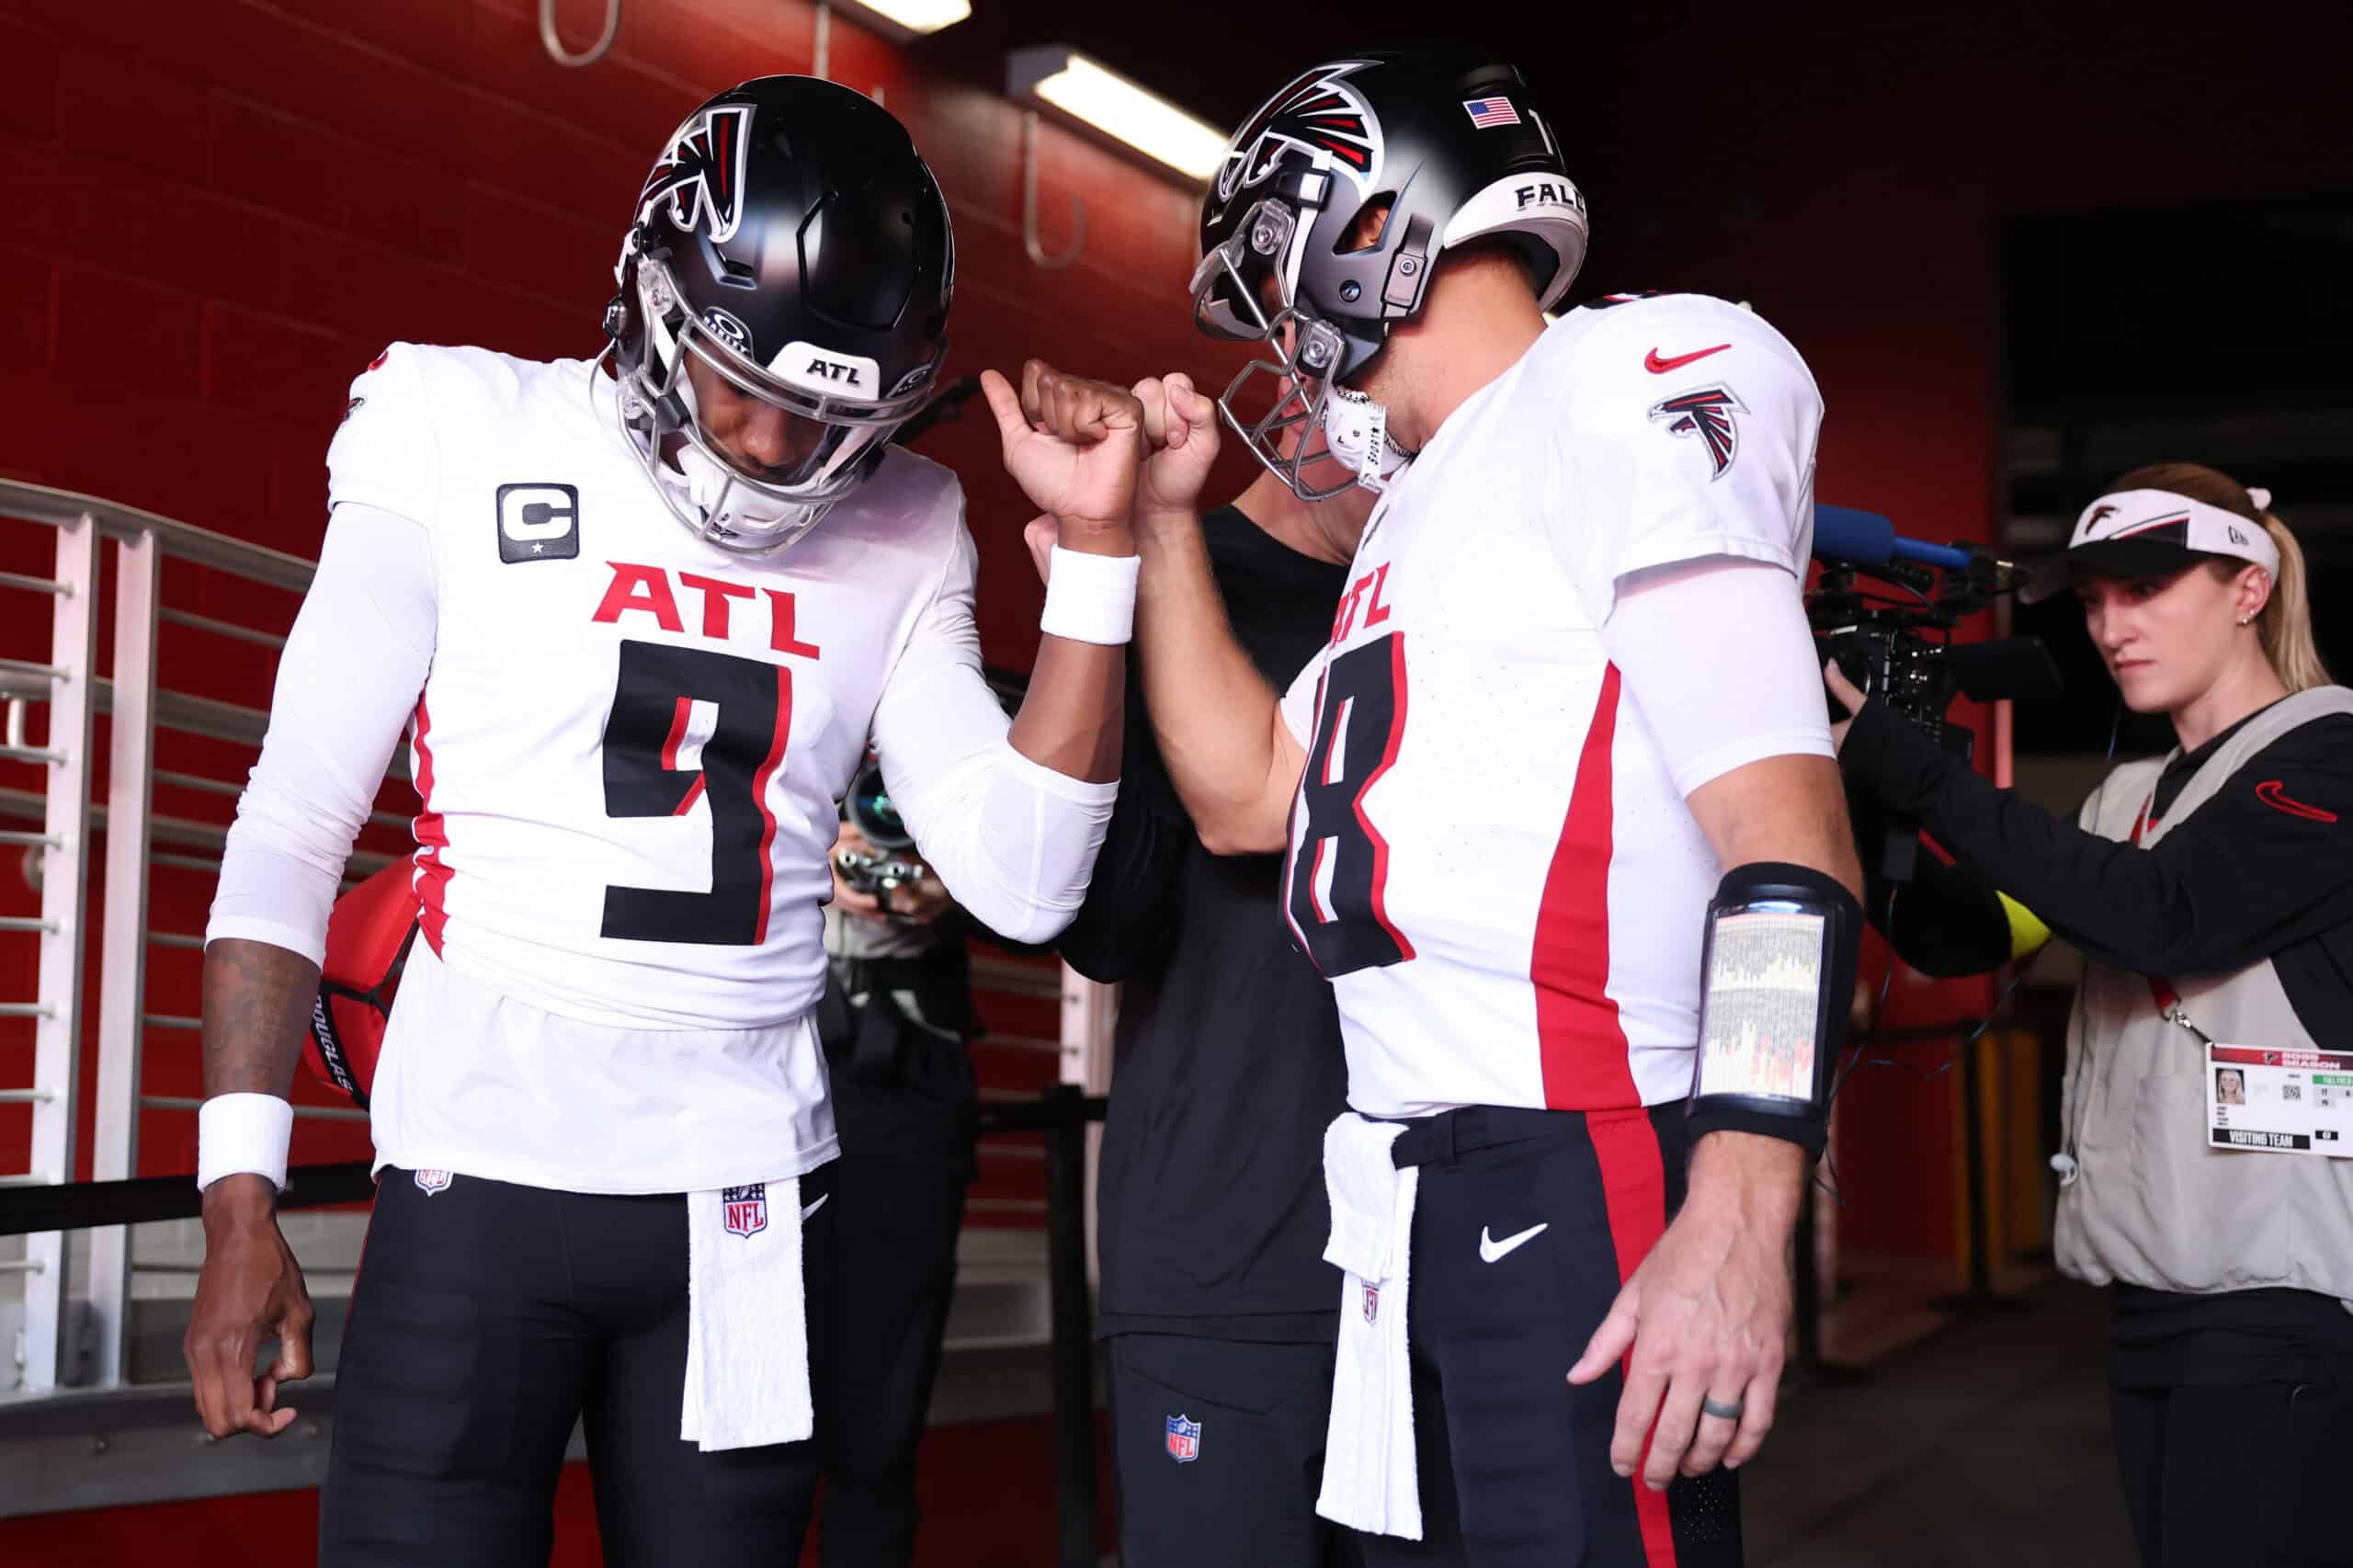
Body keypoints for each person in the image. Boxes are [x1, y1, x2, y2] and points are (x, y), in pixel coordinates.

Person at [180, 75, 1153, 1567]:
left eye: (827, 411)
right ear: (651, 304)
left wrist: (1097, 549)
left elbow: (1024, 887)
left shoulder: (906, 521)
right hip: (476, 1170)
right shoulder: (454, 422)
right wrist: (238, 1191)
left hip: (747, 1204)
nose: (770, 444)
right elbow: (296, 824)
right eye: (739, 384)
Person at [1110, 48, 1867, 1567]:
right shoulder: (1428, 505)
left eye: (1281, 278)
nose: (1284, 333)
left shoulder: (1623, 377)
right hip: (1412, 1191)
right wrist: (1159, 523)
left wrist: (1740, 1199)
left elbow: (1788, 848)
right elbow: (1248, 796)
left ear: (1363, 235)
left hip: (1582, 1152)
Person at [1826, 462, 2353, 1568]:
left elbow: (2161, 916)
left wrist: (1921, 776)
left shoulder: (2327, 753)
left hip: (2287, 1302)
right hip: (2154, 1300)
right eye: (2096, 597)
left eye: (2148, 590)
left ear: (2247, 588)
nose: (2112, 625)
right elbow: (1970, 933)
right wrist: (1860, 797)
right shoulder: (2130, 797)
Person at [1052, 429, 1370, 1568]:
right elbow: (1101, 929)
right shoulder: (1173, 575)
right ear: (1302, 387)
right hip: (1229, 1250)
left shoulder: (1454, 586)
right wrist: (1100, 609)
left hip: (1446, 1254)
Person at [814, 797, 977, 1568]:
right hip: (744, 1058)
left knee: (880, 1407)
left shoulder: (957, 727)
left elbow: (1063, 898)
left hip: (905, 1078)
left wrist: (955, 886)